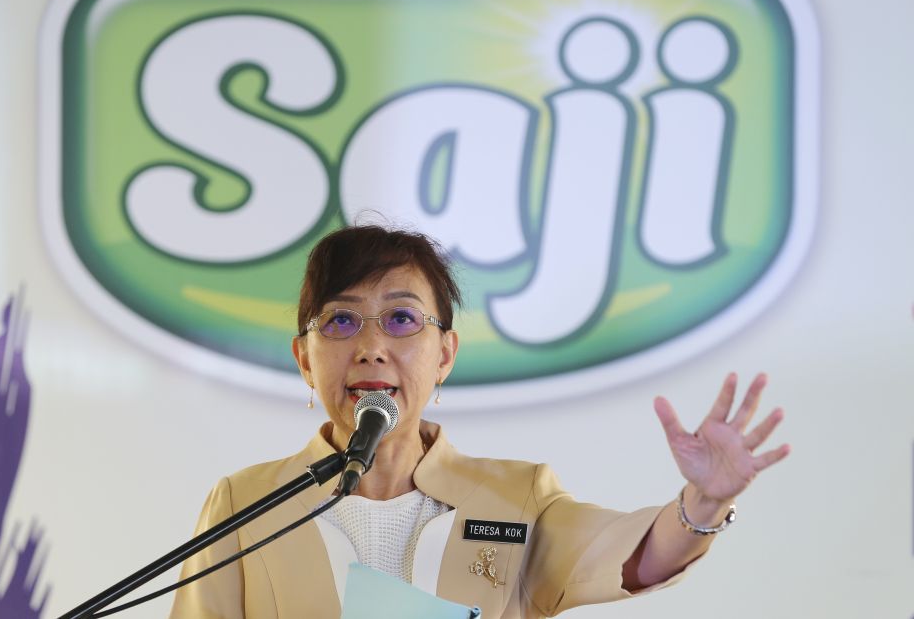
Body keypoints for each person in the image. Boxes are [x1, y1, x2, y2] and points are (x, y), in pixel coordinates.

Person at [169, 225, 790, 619]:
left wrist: (703, 503)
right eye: (340, 320)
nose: (371, 346)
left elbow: (634, 555)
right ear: (305, 358)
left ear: (445, 355)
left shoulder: (517, 498)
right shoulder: (243, 505)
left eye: (403, 318)